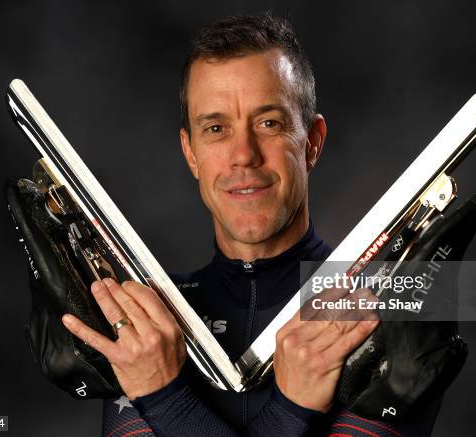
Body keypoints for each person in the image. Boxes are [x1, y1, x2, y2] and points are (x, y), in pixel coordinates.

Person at [61, 14, 441, 436]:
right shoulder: (147, 324)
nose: (243, 154)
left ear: (312, 142)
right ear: (191, 153)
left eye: (268, 123)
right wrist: (292, 409)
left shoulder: (385, 306)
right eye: (217, 128)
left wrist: (164, 396)